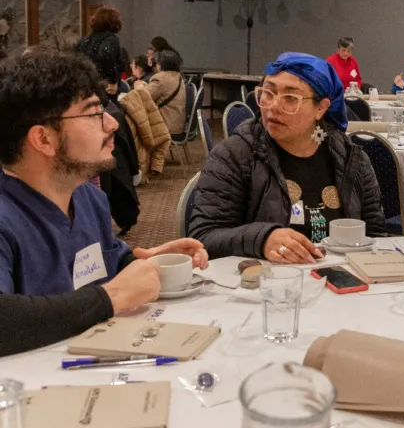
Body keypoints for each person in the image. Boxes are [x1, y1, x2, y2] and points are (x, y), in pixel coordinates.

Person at [0, 49, 208, 356]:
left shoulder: (88, 198)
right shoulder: (7, 216)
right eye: (93, 113)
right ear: (43, 139)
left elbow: (107, 261)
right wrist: (111, 297)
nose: (112, 124)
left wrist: (144, 263)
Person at [189, 52, 384, 262]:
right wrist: (262, 239)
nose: (273, 106)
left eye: (290, 98)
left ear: (321, 108)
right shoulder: (235, 155)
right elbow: (203, 237)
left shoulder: (351, 159)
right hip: (264, 278)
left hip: (338, 276)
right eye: (268, 93)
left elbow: (375, 235)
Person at [76, 6, 125, 97]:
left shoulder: (84, 40)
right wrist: (112, 81)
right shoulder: (111, 39)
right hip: (105, 88)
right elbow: (105, 55)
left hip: (85, 87)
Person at [134, 50, 186, 135]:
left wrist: (138, 86)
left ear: (161, 64)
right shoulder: (178, 76)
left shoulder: (160, 78)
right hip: (177, 126)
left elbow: (143, 97)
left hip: (165, 129)